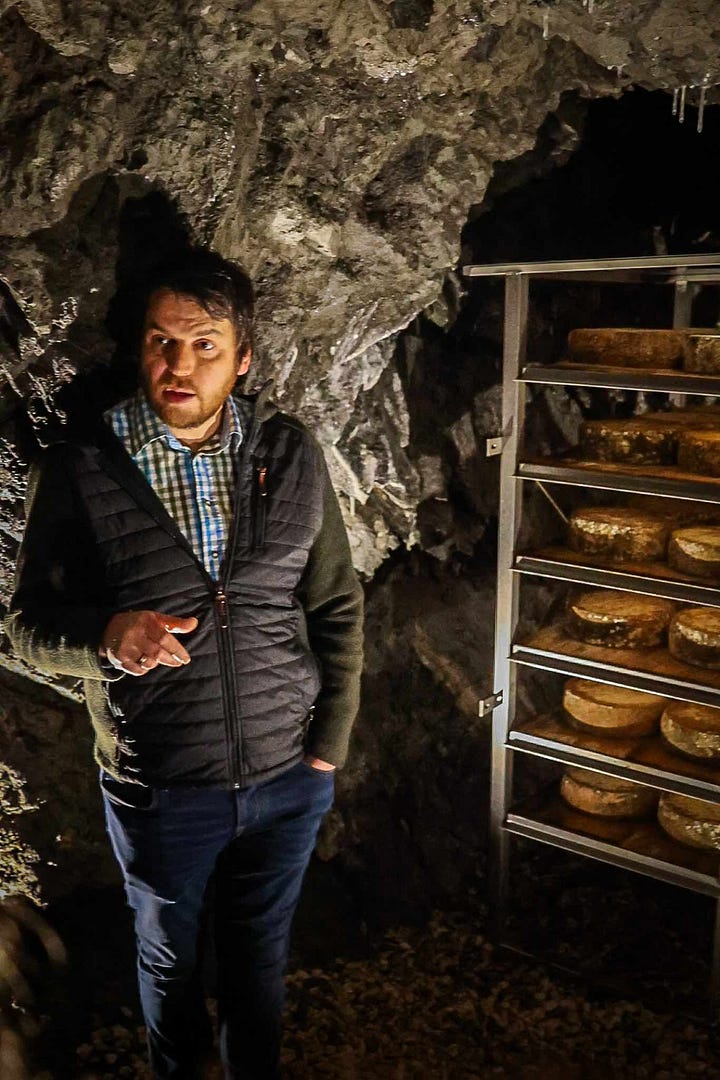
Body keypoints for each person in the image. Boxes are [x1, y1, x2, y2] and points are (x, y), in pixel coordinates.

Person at [6, 247, 364, 1079]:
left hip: (289, 778)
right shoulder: (84, 466)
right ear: (140, 348)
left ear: (242, 359)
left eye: (205, 344)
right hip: (164, 786)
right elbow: (23, 628)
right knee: (170, 965)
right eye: (162, 342)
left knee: (258, 964)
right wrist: (105, 637)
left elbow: (337, 604)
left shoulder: (290, 451)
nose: (180, 364)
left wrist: (329, 746)